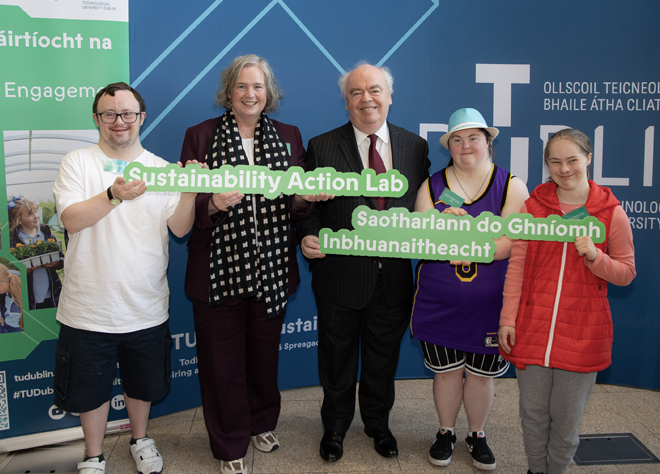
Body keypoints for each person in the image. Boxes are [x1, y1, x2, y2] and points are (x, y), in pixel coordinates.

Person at [180, 54, 329, 474]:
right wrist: (213, 203)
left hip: (272, 268)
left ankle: (262, 422)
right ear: (229, 92)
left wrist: (306, 198)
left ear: (269, 93)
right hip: (217, 271)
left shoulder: (288, 135)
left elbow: (295, 204)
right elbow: (185, 204)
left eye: (258, 86)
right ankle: (229, 444)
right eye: (242, 86)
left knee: (264, 358)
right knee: (220, 364)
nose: (250, 94)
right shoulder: (201, 136)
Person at [52, 82, 199, 474]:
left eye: (128, 113)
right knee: (89, 389)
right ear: (97, 119)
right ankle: (94, 455)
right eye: (110, 114)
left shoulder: (162, 170)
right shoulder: (77, 162)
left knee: (142, 385)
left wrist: (187, 193)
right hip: (87, 307)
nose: (120, 121)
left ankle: (140, 439)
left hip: (145, 305)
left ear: (142, 117)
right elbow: (70, 220)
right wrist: (113, 195)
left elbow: (181, 229)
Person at [296, 62, 430, 462]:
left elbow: (423, 207)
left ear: (389, 96)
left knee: (382, 358)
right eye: (356, 93)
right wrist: (307, 234)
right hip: (339, 276)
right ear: (346, 101)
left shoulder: (415, 146)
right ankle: (334, 426)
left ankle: (378, 423)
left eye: (374, 90)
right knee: (336, 359)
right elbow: (308, 206)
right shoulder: (322, 146)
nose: (366, 99)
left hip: (392, 277)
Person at [498, 128, 636, 474]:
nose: (564, 169)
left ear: (588, 158)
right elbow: (517, 266)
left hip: (583, 332)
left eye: (572, 160)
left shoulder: (611, 212)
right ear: (547, 164)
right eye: (555, 161)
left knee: (566, 419)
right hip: (532, 327)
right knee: (532, 413)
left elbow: (626, 273)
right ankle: (535, 469)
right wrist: (507, 319)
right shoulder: (534, 206)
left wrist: (595, 257)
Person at [411, 108, 529, 470]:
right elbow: (418, 236)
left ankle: (477, 434)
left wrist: (463, 242)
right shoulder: (431, 185)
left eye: (473, 138)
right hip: (439, 300)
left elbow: (515, 239)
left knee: (480, 375)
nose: (466, 146)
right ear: (449, 146)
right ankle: (445, 431)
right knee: (445, 372)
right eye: (457, 140)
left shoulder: (511, 184)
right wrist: (439, 228)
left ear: (488, 141)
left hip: (490, 304)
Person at [8, 198, 63, 309]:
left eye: (36, 212)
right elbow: (9, 268)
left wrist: (57, 263)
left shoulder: (46, 231)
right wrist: (24, 270)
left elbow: (62, 259)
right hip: (29, 297)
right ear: (19, 220)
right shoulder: (12, 238)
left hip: (52, 293)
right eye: (30, 214)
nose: (36, 216)